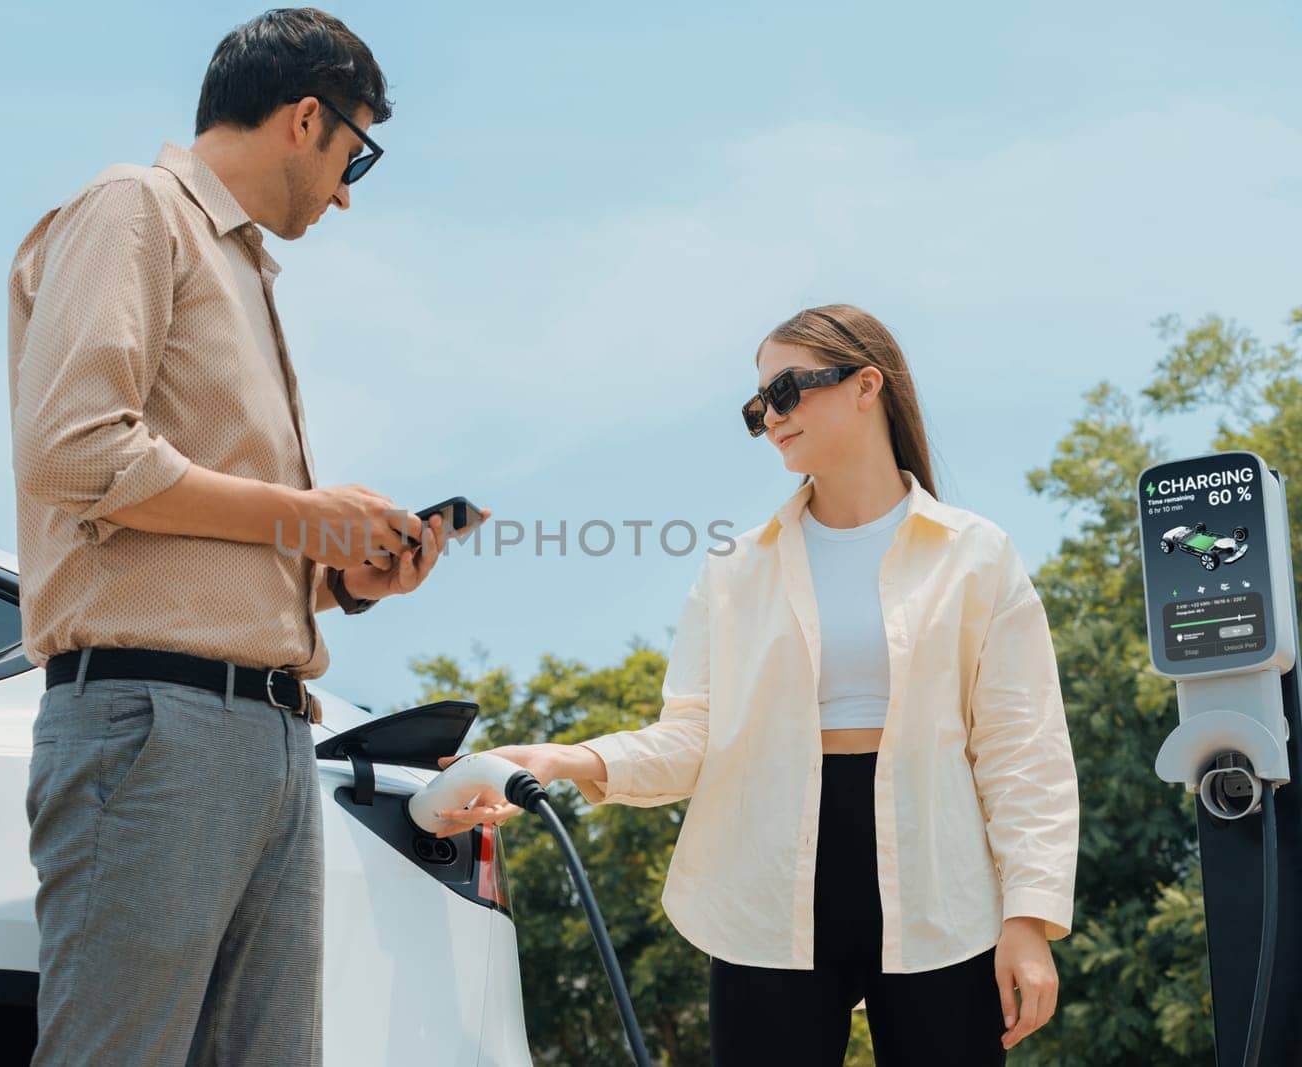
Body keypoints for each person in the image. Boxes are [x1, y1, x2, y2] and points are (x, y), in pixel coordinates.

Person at [7, 9, 486, 1064]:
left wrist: (341, 576)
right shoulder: (134, 209)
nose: (349, 190)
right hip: (155, 728)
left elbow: (179, 536)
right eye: (353, 153)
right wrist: (303, 514)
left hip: (266, 735)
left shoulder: (246, 269)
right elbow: (75, 455)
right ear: (304, 118)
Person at [433, 304, 1079, 1064]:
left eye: (787, 391)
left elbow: (1021, 748)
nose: (770, 417)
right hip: (764, 883)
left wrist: (1028, 919)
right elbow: (693, 735)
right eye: (758, 405)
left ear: (867, 384)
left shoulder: (977, 555)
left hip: (945, 884)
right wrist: (562, 759)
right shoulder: (736, 568)